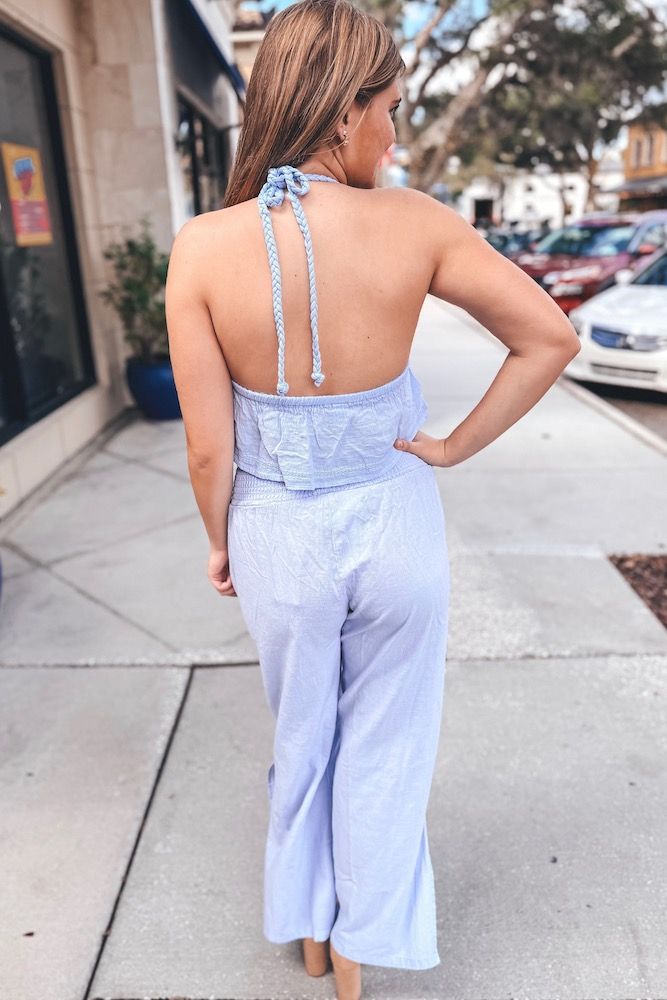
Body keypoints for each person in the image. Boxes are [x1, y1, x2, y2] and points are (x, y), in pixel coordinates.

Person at [164, 1, 581, 996]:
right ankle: (358, 949)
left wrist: (220, 542)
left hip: (277, 530)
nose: (393, 135)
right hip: (393, 521)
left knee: (302, 731)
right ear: (345, 109)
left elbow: (209, 449)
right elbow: (549, 338)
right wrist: (450, 446)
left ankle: (309, 929)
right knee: (386, 746)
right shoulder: (415, 224)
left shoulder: (203, 246)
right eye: (390, 109)